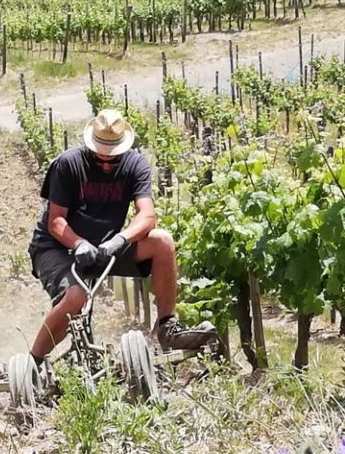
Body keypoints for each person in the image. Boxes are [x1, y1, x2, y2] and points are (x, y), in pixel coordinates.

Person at [28, 108, 213, 364]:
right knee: (76, 297)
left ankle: (167, 329)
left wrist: (121, 239)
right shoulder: (67, 164)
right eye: (99, 158)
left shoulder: (135, 165)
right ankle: (33, 361)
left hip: (106, 246)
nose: (105, 163)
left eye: (112, 159)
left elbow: (147, 216)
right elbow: (56, 221)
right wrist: (79, 243)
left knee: (162, 242)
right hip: (57, 247)